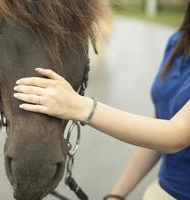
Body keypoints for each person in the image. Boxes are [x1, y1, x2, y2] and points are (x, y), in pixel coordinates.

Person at [12, 3, 190, 200]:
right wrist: (117, 195)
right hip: (160, 191)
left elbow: (177, 136)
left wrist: (79, 105)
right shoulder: (178, 42)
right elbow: (159, 125)